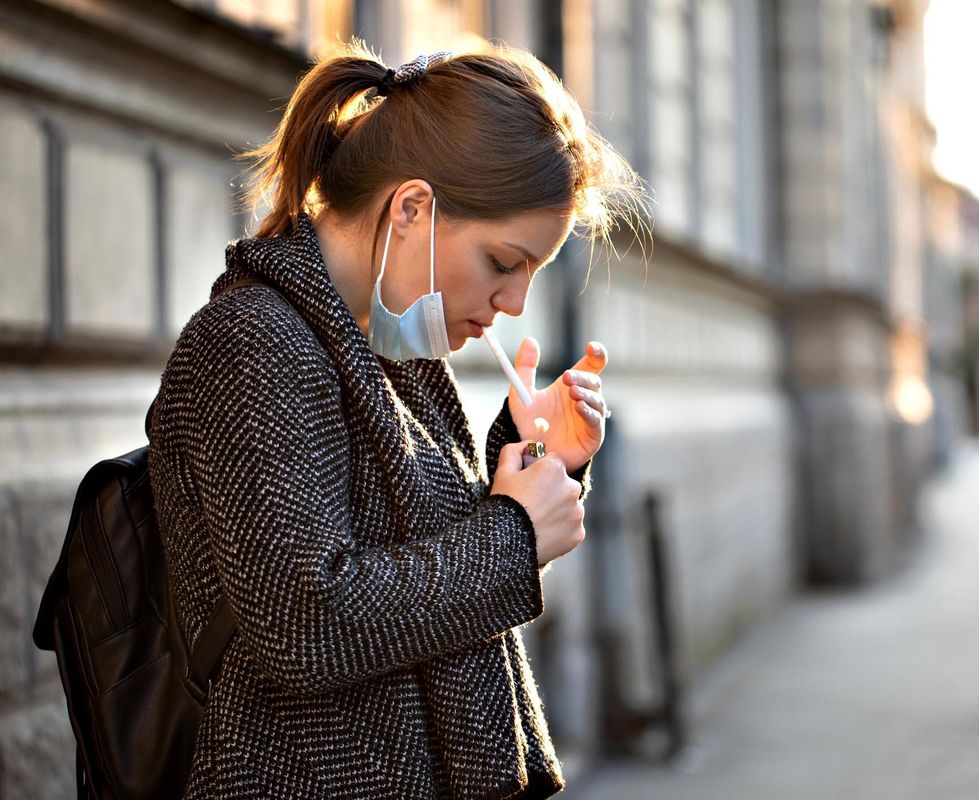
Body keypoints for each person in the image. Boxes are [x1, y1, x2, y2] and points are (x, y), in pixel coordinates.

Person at [147, 39, 645, 799]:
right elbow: (309, 623)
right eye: (504, 263)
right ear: (412, 208)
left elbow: (420, 576)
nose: (513, 304)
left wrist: (534, 461)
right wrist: (513, 535)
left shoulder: (389, 351)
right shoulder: (252, 342)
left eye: (530, 277)